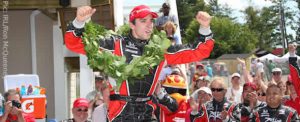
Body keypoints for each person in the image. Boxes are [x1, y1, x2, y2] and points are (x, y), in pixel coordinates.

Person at [64, 4, 214, 121]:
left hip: (147, 113)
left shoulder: (160, 51)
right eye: (143, 21)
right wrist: (79, 22)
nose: (149, 25)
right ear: (132, 24)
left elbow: (197, 52)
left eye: (151, 21)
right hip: (119, 115)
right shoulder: (114, 45)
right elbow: (74, 43)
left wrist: (205, 28)